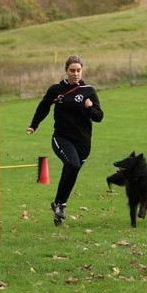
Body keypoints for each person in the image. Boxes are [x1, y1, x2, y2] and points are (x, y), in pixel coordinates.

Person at [27, 55, 104, 225]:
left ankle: (58, 204)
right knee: (73, 165)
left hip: (84, 142)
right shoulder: (56, 90)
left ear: (82, 71)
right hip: (62, 138)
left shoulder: (89, 91)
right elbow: (43, 107)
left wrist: (90, 108)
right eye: (72, 70)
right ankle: (61, 205)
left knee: (71, 171)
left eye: (78, 70)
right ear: (66, 71)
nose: (75, 74)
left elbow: (99, 117)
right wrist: (34, 125)